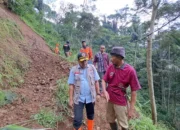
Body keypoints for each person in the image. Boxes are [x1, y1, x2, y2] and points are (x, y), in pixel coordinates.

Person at [102, 47, 141, 130]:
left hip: (120, 101)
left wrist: (131, 109)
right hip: (110, 100)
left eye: (113, 57)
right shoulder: (111, 67)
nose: (111, 59)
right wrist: (105, 91)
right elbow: (104, 80)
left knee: (123, 125)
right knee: (110, 119)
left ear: (119, 58)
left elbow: (134, 90)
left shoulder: (130, 70)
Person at [68, 52, 101, 130]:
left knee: (90, 115)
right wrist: (70, 99)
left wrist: (98, 93)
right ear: (78, 61)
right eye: (82, 61)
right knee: (77, 119)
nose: (84, 62)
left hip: (90, 97)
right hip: (78, 98)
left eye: (85, 60)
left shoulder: (92, 68)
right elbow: (71, 85)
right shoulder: (74, 70)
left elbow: (96, 81)